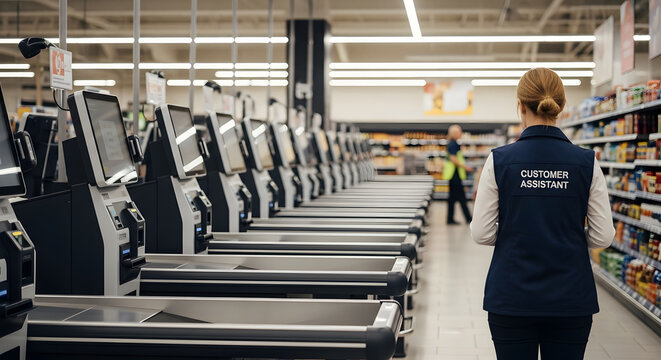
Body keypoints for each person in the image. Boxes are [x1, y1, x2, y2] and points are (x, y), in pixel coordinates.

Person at [470, 68, 615, 360]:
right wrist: (565, 236)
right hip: (570, 296)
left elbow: (481, 233)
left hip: (511, 294)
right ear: (560, 106)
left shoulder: (499, 160)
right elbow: (603, 236)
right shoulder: (587, 162)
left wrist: (518, 232)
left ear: (520, 106)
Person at [443, 124, 474, 224]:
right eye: (460, 132)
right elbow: (453, 159)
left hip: (453, 174)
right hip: (454, 174)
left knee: (452, 198)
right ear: (454, 133)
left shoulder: (452, 143)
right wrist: (466, 167)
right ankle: (468, 218)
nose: (461, 133)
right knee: (461, 197)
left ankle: (450, 219)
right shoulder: (453, 144)